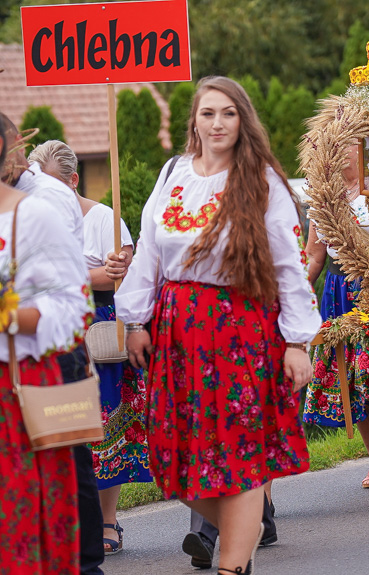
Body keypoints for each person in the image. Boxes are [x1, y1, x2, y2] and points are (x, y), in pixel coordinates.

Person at [115, 76, 320, 575]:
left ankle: (233, 566)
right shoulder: (173, 173)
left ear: (242, 119)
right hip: (176, 330)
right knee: (172, 454)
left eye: (228, 113)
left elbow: (288, 266)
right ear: (194, 121)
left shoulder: (261, 180)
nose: (218, 122)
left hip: (239, 328)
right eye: (208, 113)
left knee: (239, 451)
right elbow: (148, 252)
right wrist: (135, 319)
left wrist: (297, 342)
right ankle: (240, 541)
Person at [28, 139, 151, 557]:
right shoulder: (31, 219)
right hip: (51, 328)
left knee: (104, 425)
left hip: (97, 327)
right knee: (61, 427)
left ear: (73, 181)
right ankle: (64, 520)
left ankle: (108, 520)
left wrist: (102, 273)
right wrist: (89, 274)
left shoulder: (103, 219)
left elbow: (120, 275)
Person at [2, 115, 105, 575]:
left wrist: (11, 314)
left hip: (43, 356)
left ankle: (87, 559)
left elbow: (72, 295)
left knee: (67, 445)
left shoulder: (45, 202)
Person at [303, 143, 369, 488]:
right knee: (346, 375)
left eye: (345, 144)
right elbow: (314, 256)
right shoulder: (322, 197)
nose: (338, 152)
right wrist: (297, 294)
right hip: (336, 289)